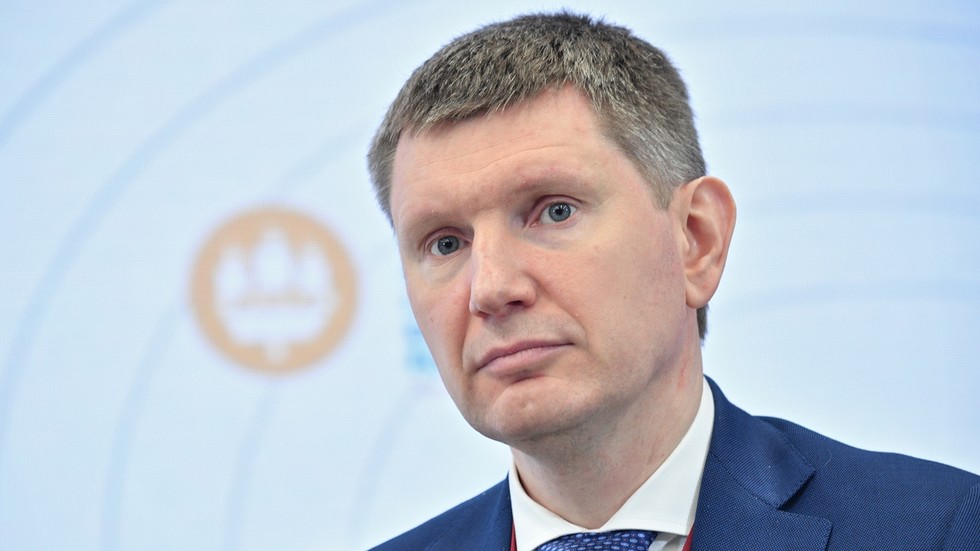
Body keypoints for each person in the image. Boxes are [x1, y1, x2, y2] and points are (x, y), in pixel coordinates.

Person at [365, 12, 980, 551]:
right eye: (446, 243)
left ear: (695, 239)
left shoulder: (938, 531)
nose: (491, 288)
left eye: (555, 211)